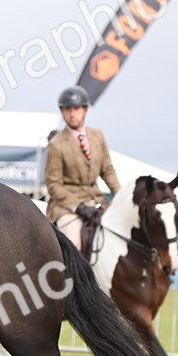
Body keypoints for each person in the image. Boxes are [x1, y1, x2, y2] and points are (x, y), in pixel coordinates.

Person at [43, 86, 120, 251]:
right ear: (62, 112)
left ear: (84, 109)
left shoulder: (97, 135)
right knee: (74, 243)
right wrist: (77, 206)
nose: (72, 114)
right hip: (66, 206)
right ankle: (71, 277)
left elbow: (107, 170)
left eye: (76, 109)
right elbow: (54, 185)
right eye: (68, 109)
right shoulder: (56, 144)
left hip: (97, 200)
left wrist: (120, 195)